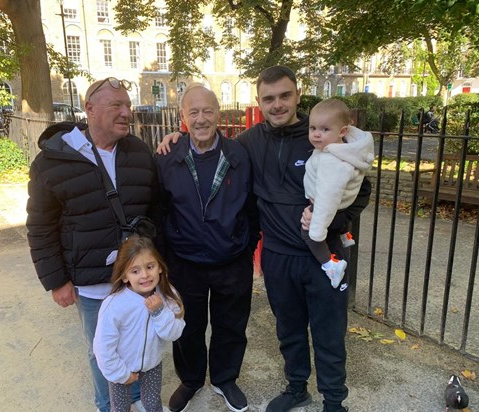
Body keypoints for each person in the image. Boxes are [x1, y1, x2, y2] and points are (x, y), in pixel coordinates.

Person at [157, 66, 371, 412]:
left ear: (298, 96)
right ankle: (295, 388)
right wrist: (174, 137)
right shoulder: (249, 143)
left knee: (329, 334)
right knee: (289, 331)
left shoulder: (322, 136)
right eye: (269, 98)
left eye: (285, 95)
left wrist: (337, 221)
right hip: (276, 256)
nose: (277, 104)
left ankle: (334, 402)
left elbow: (362, 185)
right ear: (259, 102)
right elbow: (205, 149)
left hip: (320, 254)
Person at [26, 77, 157, 412]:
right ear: (89, 109)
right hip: (91, 284)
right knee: (103, 349)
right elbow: (40, 227)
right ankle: (109, 405)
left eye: (127, 105)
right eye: (117, 105)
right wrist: (57, 280)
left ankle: (139, 400)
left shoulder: (140, 152)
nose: (127, 112)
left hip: (138, 280)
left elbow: (159, 211)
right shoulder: (52, 162)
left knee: (140, 342)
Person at [154, 83, 260, 412]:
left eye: (208, 111)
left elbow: (253, 206)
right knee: (188, 326)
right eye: (193, 112)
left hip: (232, 260)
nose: (201, 119)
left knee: (231, 324)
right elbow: (158, 209)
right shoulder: (166, 156)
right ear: (182, 117)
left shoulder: (239, 154)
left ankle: (225, 378)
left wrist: (246, 245)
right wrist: (164, 260)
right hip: (184, 262)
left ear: (218, 113)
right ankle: (191, 379)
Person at [94, 235, 185, 412]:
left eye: (150, 267)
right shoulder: (115, 304)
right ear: (125, 276)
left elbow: (175, 333)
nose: (144, 275)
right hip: (122, 366)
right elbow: (103, 346)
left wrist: (159, 313)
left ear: (159, 267)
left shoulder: (167, 295)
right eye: (135, 271)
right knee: (120, 408)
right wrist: (121, 374)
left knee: (152, 405)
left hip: (152, 363)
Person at [302, 99, 374, 289]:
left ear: (342, 131)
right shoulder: (339, 149)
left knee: (308, 233)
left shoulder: (332, 162)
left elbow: (328, 197)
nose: (317, 134)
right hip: (340, 201)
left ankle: (331, 265)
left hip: (325, 203)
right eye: (313, 128)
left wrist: (316, 227)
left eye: (325, 129)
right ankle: (345, 236)